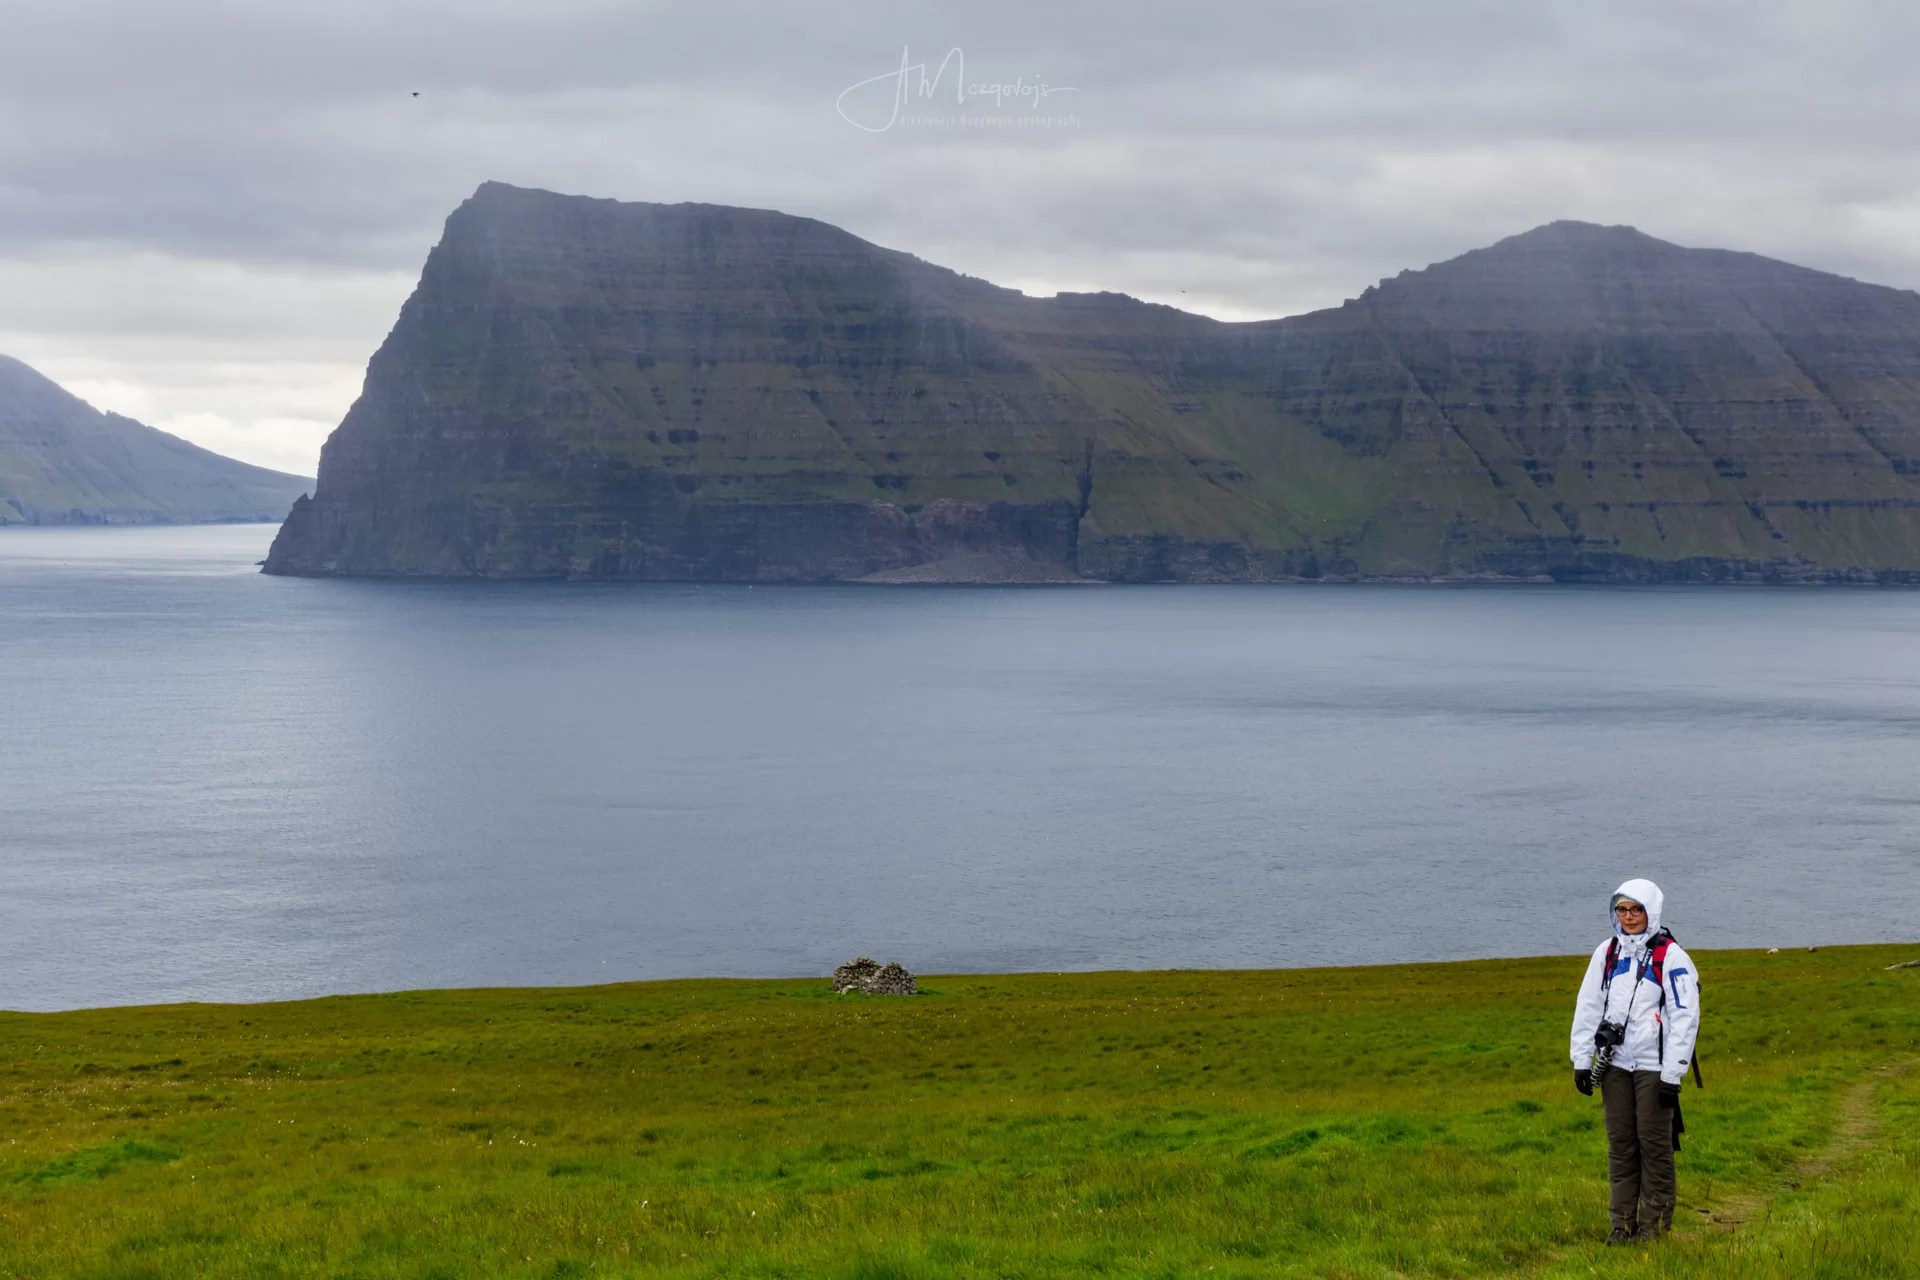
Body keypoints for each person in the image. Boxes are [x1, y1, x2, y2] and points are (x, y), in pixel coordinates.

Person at [1568, 877, 1700, 1245]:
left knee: (1654, 1147)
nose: (1628, 917)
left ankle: (1653, 1229)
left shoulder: (1672, 957)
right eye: (1622, 909)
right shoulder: (1607, 953)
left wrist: (1673, 1074)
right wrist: (1582, 1059)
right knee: (1621, 1145)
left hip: (1653, 1068)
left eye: (1636, 909)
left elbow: (1685, 1017)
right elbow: (1588, 1006)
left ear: (1650, 911)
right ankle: (1621, 1226)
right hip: (1614, 1066)